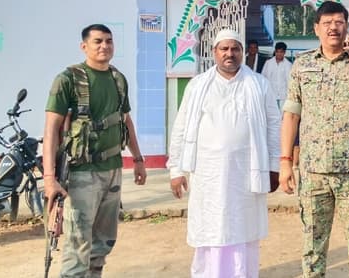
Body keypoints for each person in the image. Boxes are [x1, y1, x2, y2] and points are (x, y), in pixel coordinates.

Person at [278, 1, 349, 278]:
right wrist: (285, 162)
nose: (333, 28)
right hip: (313, 173)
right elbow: (291, 115)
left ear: (347, 26)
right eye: (327, 23)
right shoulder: (303, 64)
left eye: (339, 22)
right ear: (316, 28)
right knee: (312, 248)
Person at [167, 29, 281, 278]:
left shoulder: (259, 84)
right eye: (224, 49)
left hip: (246, 173)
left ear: (243, 52)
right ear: (214, 52)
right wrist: (175, 169)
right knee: (211, 228)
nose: (230, 53)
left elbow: (274, 125)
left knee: (243, 228)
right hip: (208, 174)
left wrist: (274, 166)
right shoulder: (198, 86)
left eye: (235, 48)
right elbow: (181, 126)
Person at [42, 23, 147, 278]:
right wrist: (49, 178)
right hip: (81, 173)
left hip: (113, 170)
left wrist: (138, 159)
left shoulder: (118, 79)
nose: (104, 46)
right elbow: (51, 130)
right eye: (98, 41)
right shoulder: (67, 80)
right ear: (84, 46)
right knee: (79, 243)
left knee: (103, 242)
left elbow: (125, 120)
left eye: (109, 41)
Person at [261, 41, 293, 111]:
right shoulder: (268, 63)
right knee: (271, 114)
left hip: (284, 96)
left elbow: (290, 81)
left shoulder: (288, 65)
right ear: (275, 51)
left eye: (281, 52)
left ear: (284, 52)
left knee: (283, 115)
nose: (279, 54)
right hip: (270, 94)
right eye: (277, 52)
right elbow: (263, 79)